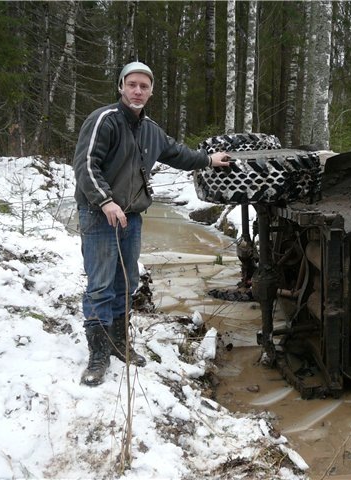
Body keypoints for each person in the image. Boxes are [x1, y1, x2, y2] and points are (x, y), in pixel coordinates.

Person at [73, 61, 230, 386]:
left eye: (144, 86)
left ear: (151, 91)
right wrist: (106, 200)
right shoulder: (105, 120)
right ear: (121, 86)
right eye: (132, 84)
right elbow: (86, 165)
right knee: (101, 286)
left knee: (126, 283)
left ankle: (119, 344)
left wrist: (208, 160)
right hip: (99, 214)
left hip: (131, 216)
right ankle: (98, 355)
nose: (138, 91)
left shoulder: (151, 130)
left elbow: (178, 154)